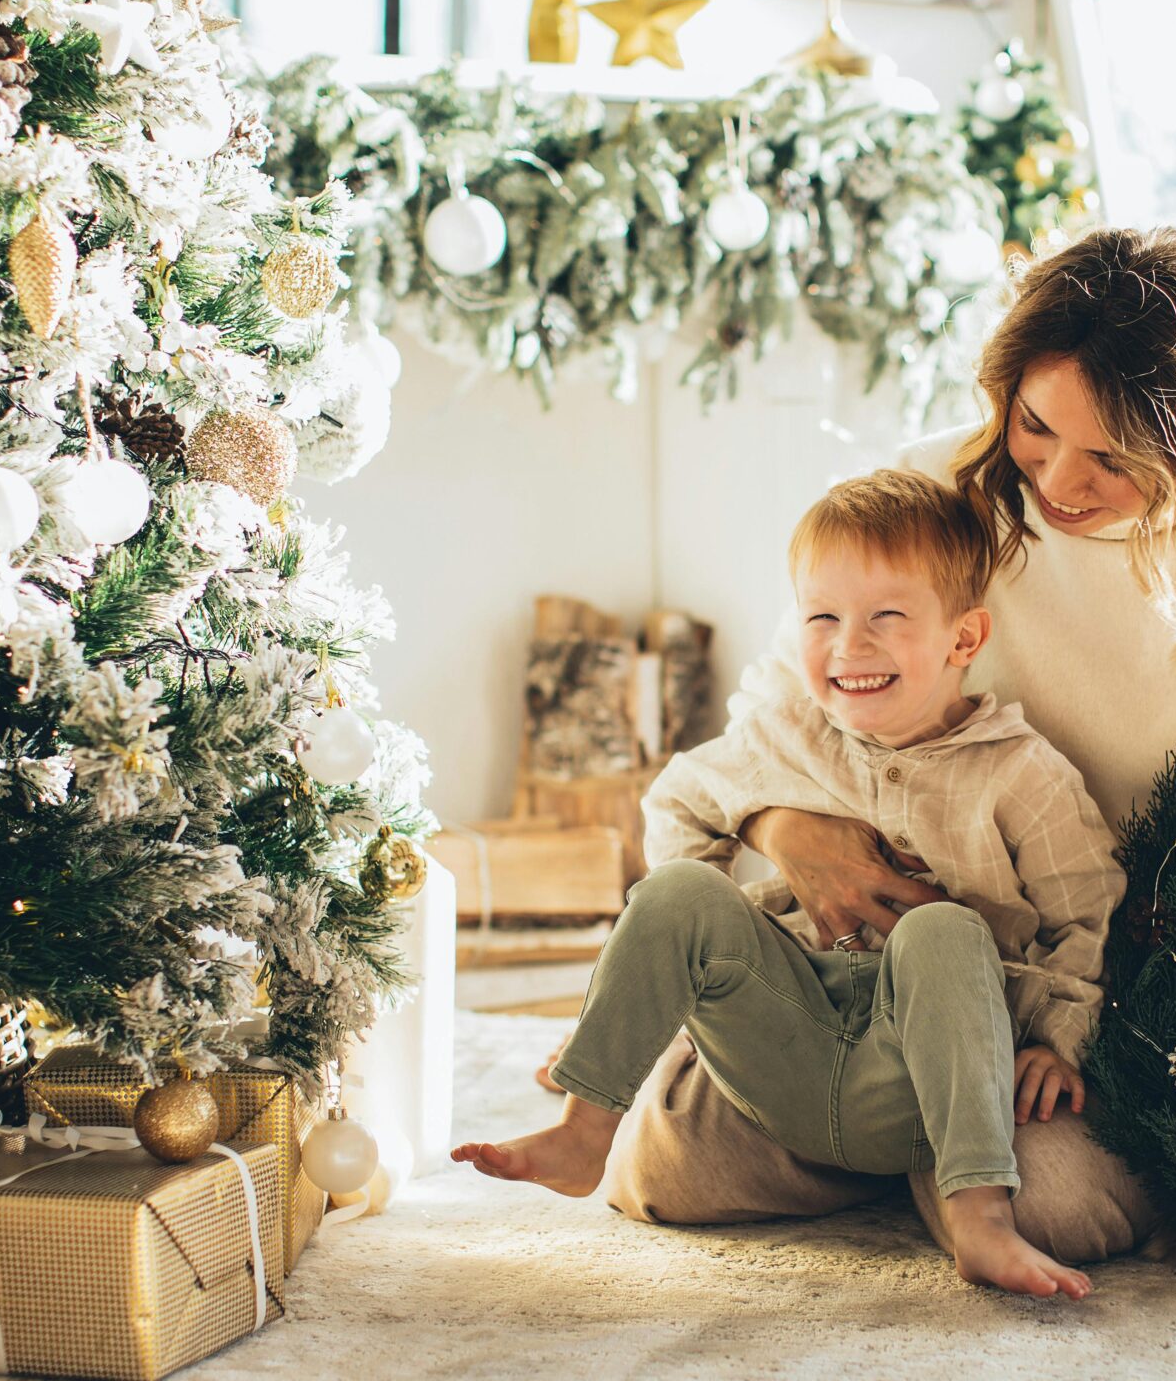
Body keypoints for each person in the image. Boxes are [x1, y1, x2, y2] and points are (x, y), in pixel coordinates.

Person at [593, 226, 1176, 1264]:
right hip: (870, 968)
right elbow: (778, 705)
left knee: (1058, 1209)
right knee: (660, 1176)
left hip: (1090, 993)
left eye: (1112, 456)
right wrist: (784, 826)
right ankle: (897, 1125)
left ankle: (933, 1147)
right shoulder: (935, 493)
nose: (1059, 478)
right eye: (1034, 426)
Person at [457, 469, 1123, 1299]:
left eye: (887, 617)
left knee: (945, 931)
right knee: (675, 896)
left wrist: (1058, 1038)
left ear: (964, 638)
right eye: (822, 617)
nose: (850, 645)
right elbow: (676, 806)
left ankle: (979, 1216)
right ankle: (582, 1128)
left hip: (928, 1067)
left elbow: (1088, 911)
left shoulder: (1019, 773)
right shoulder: (783, 737)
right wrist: (687, 978)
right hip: (793, 1029)